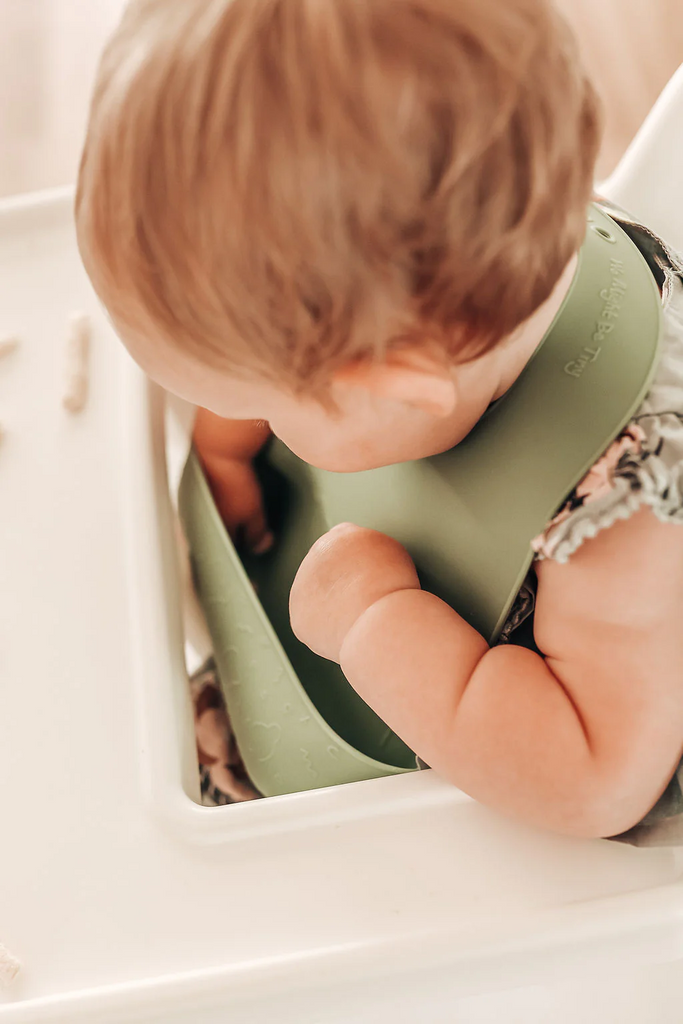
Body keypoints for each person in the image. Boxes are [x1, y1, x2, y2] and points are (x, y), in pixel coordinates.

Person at [76, 0, 683, 842]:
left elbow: (593, 781)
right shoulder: (485, 227)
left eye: (257, 407)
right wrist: (227, 447)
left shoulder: (624, 522)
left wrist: (375, 620)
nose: (239, 421)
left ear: (401, 384)